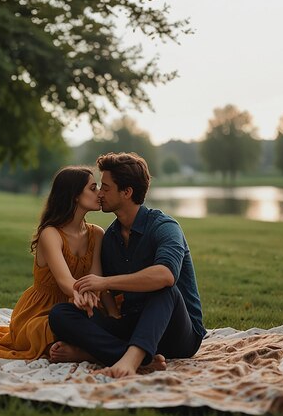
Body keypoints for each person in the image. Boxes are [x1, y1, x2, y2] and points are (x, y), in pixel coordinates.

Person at [48, 152, 206, 378]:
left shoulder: (165, 227)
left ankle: (126, 361)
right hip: (133, 325)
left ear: (127, 192)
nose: (100, 194)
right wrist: (95, 300)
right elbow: (107, 294)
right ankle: (127, 355)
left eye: (106, 187)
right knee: (60, 313)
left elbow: (166, 275)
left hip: (178, 334)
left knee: (164, 289)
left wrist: (104, 282)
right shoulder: (110, 237)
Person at [0, 166, 117, 359]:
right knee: (50, 332)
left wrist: (91, 297)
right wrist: (83, 295)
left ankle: (82, 351)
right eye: (93, 188)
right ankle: (83, 349)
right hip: (40, 311)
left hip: (79, 302)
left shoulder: (97, 233)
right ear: (74, 195)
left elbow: (95, 277)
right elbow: (65, 282)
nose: (99, 193)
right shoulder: (51, 234)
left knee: (104, 322)